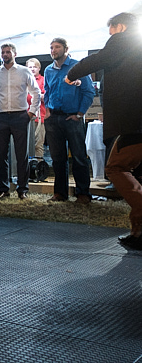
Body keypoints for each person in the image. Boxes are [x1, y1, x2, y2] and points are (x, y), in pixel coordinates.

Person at [66, 13, 142, 248]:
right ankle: (138, 233)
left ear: (121, 27)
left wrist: (71, 74)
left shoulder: (123, 40)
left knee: (116, 167)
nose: (111, 36)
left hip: (133, 122)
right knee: (134, 174)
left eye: (112, 31)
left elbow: (96, 60)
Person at [0, 43, 41, 200]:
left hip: (20, 116)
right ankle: (3, 189)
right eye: (3, 52)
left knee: (22, 155)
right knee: (1, 154)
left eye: (8, 52)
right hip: (0, 116)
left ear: (15, 54)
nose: (5, 54)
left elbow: (36, 92)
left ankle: (22, 189)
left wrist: (31, 112)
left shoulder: (24, 71)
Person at [43, 37, 94, 203]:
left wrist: (79, 114)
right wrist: (48, 111)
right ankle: (60, 193)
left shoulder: (77, 66)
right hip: (53, 118)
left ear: (66, 49)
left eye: (57, 47)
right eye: (51, 47)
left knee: (79, 157)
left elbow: (88, 91)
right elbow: (47, 91)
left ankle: (83, 193)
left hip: (72, 118)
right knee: (58, 159)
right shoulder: (48, 70)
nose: (53, 50)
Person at [25, 58, 46, 160]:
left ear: (39, 68)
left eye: (35, 67)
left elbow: (47, 97)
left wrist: (36, 95)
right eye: (30, 67)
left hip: (39, 117)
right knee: (24, 144)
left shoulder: (43, 80)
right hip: (25, 118)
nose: (32, 69)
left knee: (38, 145)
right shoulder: (24, 81)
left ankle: (38, 166)